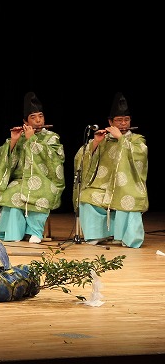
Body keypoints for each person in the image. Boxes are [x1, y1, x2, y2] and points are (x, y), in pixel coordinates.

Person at [0, 92, 65, 243]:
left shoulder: (52, 137)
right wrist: (13, 142)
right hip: (20, 180)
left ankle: (35, 231)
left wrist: (33, 140)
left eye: (40, 116)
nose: (38, 120)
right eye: (33, 117)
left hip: (45, 180)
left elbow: (55, 159)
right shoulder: (19, 136)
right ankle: (13, 233)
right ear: (25, 121)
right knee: (11, 194)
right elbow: (6, 160)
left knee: (38, 193)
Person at [74, 92, 148, 248]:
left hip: (127, 186)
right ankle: (97, 235)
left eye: (126, 120)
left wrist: (121, 139)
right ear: (110, 122)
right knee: (86, 195)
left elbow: (140, 156)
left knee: (127, 198)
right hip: (104, 186)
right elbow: (81, 159)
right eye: (119, 121)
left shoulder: (136, 139)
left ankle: (127, 238)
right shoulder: (103, 139)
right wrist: (95, 143)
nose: (123, 124)